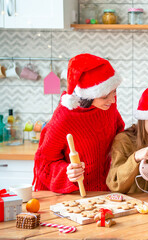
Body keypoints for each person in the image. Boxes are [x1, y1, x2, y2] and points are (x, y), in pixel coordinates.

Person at [33, 53, 125, 193]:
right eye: (105, 96)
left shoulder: (107, 104)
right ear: (88, 96)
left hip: (107, 189)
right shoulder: (64, 116)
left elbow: (117, 130)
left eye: (114, 92)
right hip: (75, 194)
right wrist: (67, 172)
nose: (112, 100)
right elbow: (45, 162)